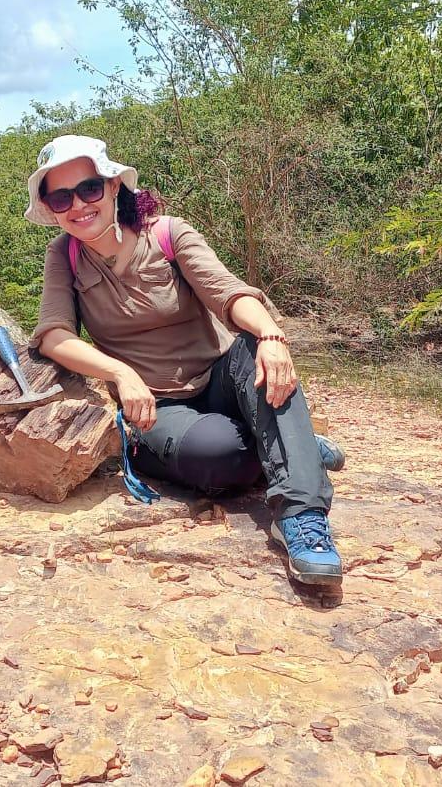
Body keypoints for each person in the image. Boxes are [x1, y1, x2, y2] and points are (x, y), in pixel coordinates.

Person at [24, 134, 345, 586]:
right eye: (61, 197)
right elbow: (53, 335)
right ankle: (299, 447)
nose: (78, 204)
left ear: (114, 186)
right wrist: (120, 373)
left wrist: (271, 334)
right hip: (157, 403)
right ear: (52, 208)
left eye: (89, 188)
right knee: (219, 460)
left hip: (221, 375)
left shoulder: (168, 234)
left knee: (257, 350)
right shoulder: (64, 255)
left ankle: (303, 516)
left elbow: (227, 291)